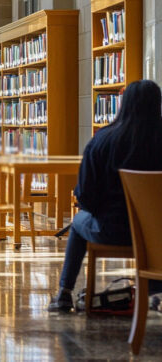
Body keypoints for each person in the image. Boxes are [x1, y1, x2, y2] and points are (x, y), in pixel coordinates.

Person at [49, 80, 162, 312]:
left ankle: (64, 293)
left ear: (123, 104)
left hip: (112, 231)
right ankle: (155, 292)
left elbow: (86, 197)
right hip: (157, 236)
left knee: (79, 221)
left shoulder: (102, 140)